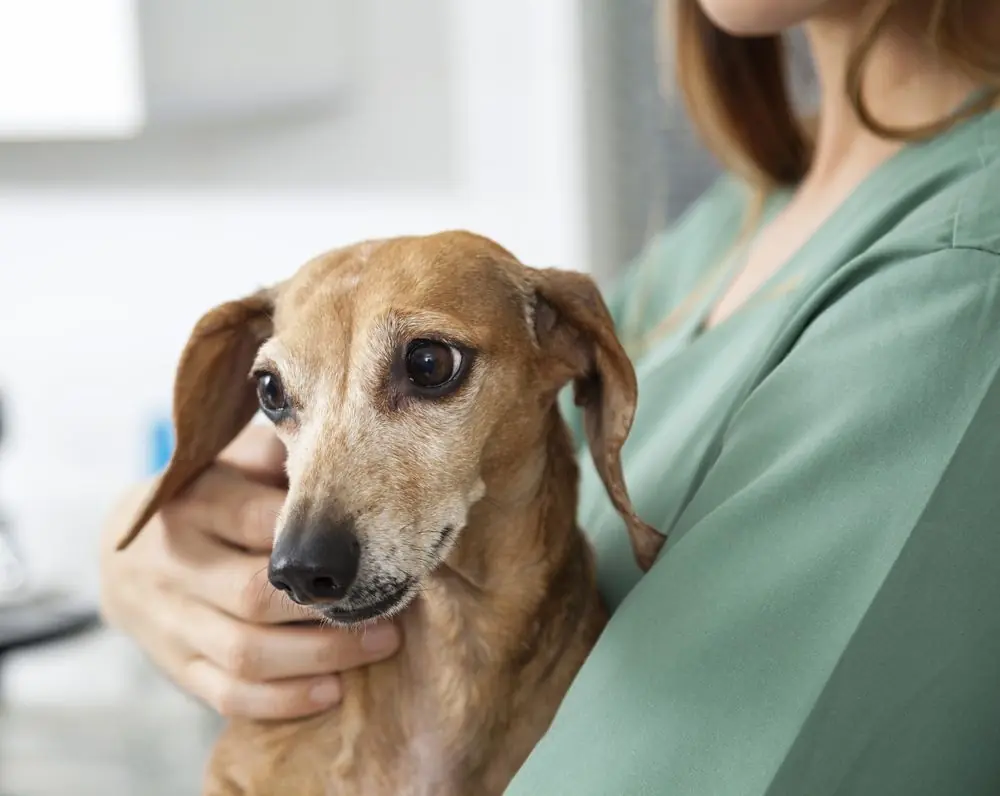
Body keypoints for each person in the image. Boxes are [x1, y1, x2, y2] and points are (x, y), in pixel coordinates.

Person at [100, 0, 1000, 792]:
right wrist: (135, 553)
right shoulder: (739, 219)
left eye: (426, 368)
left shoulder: (963, 272)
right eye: (273, 392)